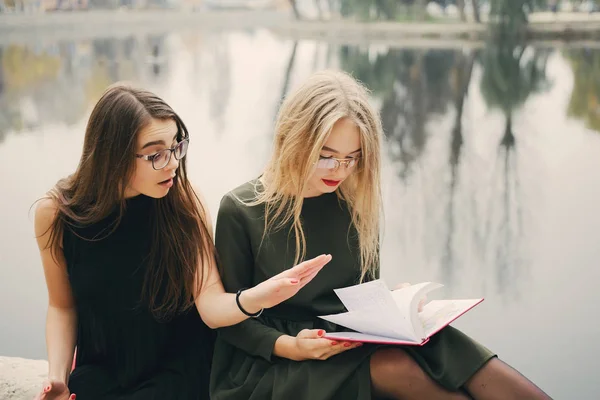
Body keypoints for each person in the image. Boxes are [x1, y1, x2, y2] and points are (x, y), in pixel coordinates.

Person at [209, 70, 552, 400]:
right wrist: (291, 346)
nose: (340, 171)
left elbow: (360, 296)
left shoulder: (352, 201)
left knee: (454, 351)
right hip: (273, 359)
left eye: (352, 158)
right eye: (326, 157)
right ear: (294, 141)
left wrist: (393, 302)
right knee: (395, 368)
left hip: (349, 339)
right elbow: (230, 322)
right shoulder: (242, 208)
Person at [32, 84, 331, 400]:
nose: (173, 162)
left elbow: (211, 303)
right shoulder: (55, 214)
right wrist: (57, 378)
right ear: (112, 155)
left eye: (176, 146)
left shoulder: (185, 202)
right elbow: (62, 306)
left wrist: (259, 296)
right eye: (156, 154)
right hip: (103, 368)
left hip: (180, 370)